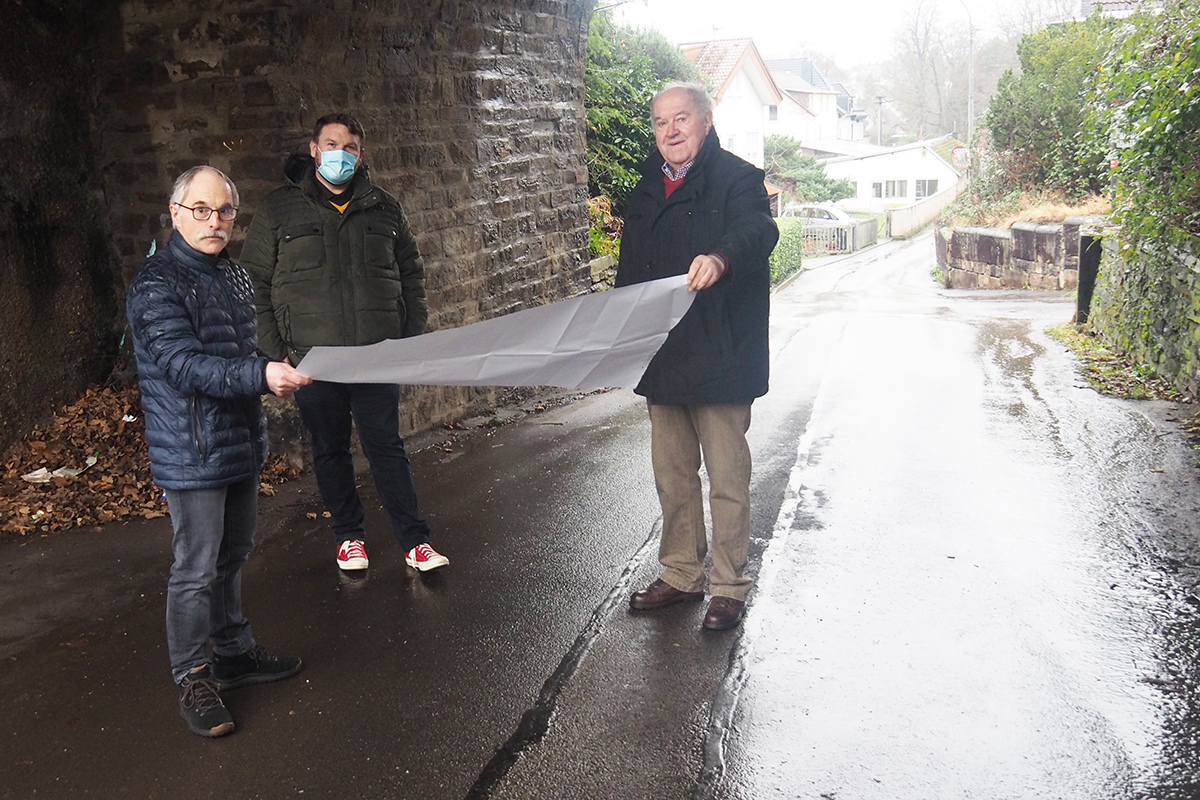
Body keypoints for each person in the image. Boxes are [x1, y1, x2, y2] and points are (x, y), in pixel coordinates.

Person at [126, 165, 311, 737]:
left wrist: (291, 362)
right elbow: (183, 366)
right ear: (175, 212)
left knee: (232, 556)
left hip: (237, 443)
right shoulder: (155, 285)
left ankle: (233, 653)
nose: (214, 221)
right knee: (196, 568)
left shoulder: (231, 275)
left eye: (225, 211)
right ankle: (194, 676)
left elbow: (243, 347)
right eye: (201, 210)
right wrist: (261, 374)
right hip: (193, 449)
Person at [241, 113, 448, 574]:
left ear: (360, 154)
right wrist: (280, 348)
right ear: (314, 149)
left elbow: (410, 272)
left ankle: (415, 542)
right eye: (331, 144)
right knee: (330, 449)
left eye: (350, 147)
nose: (340, 154)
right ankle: (349, 537)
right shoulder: (279, 210)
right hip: (314, 359)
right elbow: (253, 281)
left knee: (386, 446)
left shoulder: (385, 208)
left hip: (375, 357)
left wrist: (408, 337)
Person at [617, 83, 779, 631]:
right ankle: (681, 574)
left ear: (706, 121)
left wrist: (720, 257)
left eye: (682, 118)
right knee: (673, 475)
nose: (672, 131)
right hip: (664, 359)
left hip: (722, 352)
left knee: (727, 478)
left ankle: (729, 585)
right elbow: (630, 272)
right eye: (662, 123)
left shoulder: (739, 179)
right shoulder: (644, 190)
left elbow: (758, 230)